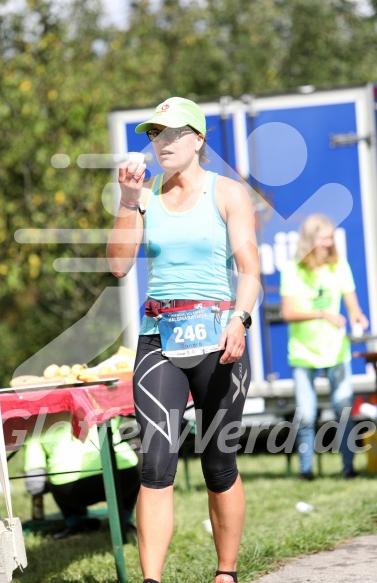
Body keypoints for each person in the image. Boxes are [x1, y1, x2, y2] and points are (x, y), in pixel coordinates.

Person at [107, 97, 260, 583]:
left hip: (219, 339)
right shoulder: (144, 196)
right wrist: (129, 202)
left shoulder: (229, 193)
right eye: (155, 135)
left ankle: (225, 573)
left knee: (218, 463)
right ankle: (150, 579)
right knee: (155, 463)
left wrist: (240, 319)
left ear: (198, 139)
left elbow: (251, 271)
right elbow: (117, 265)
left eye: (172, 134)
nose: (162, 144)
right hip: (159, 339)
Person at [280, 213, 369, 480]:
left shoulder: (339, 266)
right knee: (306, 415)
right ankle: (306, 471)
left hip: (335, 351)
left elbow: (352, 305)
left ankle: (348, 468)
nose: (329, 243)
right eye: (323, 238)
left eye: (331, 237)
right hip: (303, 353)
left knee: (343, 409)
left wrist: (358, 317)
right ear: (309, 240)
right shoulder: (292, 270)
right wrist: (322, 315)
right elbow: (288, 312)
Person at [24, 415, 141, 540]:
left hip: (70, 489)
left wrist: (48, 487)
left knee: (56, 474)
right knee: (134, 462)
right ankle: (124, 517)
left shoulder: (39, 422)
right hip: (122, 476)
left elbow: (34, 484)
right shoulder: (102, 406)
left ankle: (75, 522)